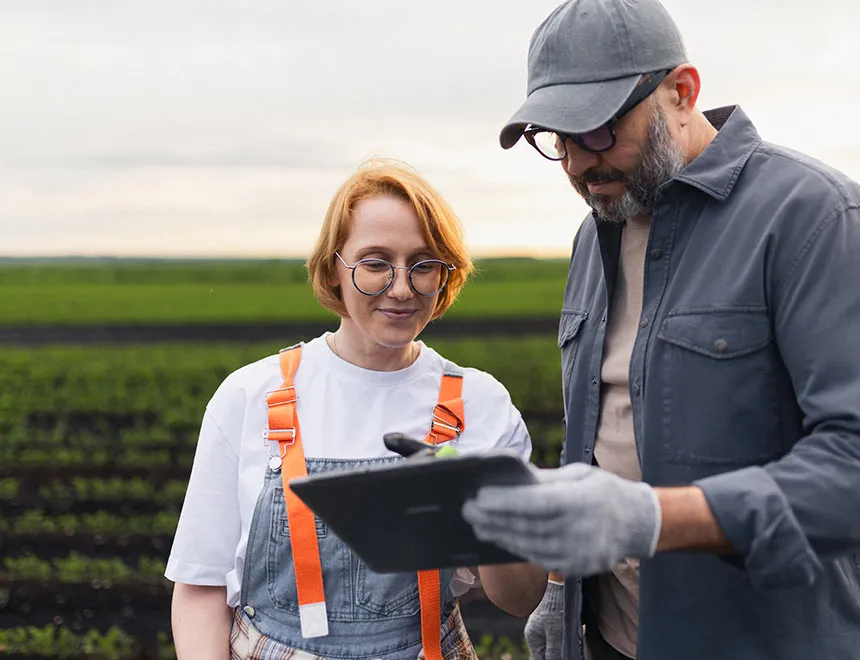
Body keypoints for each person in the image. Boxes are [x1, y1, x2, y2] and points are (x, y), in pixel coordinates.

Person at [460, 1, 860, 659]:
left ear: (682, 91)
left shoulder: (812, 218)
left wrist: (657, 520)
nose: (578, 165)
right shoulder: (594, 239)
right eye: (557, 141)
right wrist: (563, 593)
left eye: (597, 131)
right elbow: (601, 438)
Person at [164, 159, 549, 660]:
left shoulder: (480, 404)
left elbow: (520, 599)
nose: (402, 288)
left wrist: (487, 515)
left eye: (424, 264)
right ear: (333, 269)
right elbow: (199, 588)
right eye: (375, 263)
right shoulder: (250, 396)